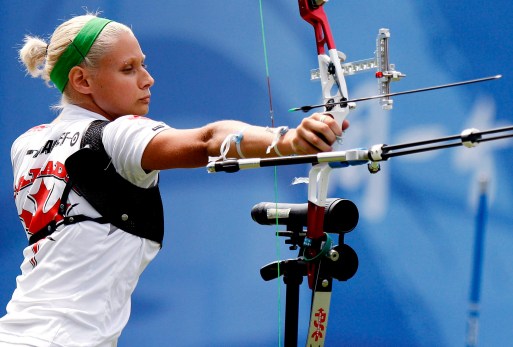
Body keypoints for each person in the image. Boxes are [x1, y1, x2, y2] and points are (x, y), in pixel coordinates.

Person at [0, 13, 348, 347]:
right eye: (128, 69)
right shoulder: (117, 136)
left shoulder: (26, 144)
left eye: (142, 64)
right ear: (82, 81)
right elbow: (208, 141)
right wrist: (287, 141)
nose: (147, 79)